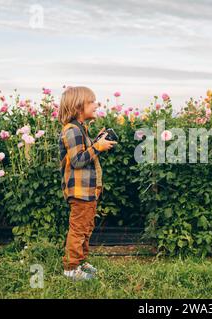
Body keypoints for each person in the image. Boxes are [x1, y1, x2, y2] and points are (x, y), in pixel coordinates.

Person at [58, 86, 116, 281]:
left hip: (89, 190)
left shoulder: (81, 129)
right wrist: (97, 147)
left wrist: (96, 143)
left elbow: (84, 153)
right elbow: (77, 160)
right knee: (78, 228)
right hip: (79, 190)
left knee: (86, 227)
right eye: (91, 102)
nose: (96, 104)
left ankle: (80, 261)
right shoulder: (71, 130)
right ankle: (71, 268)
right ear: (78, 106)